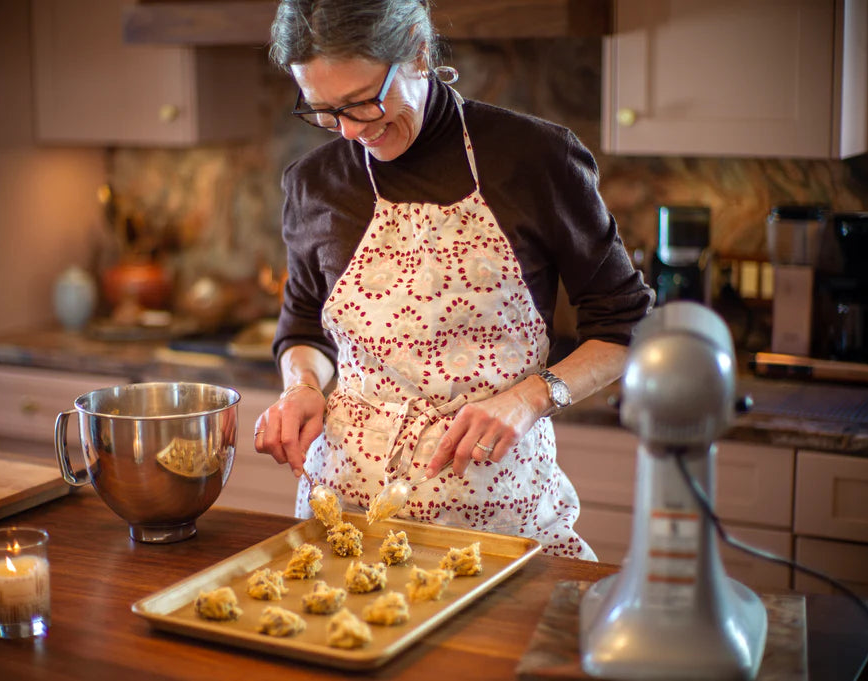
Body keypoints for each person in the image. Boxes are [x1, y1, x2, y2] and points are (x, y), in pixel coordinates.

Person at [254, 0, 654, 559]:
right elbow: (304, 325)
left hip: (496, 519)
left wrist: (530, 399)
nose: (348, 130)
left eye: (365, 101)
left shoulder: (536, 158)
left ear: (418, 52)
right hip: (346, 515)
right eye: (323, 110)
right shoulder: (315, 183)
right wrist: (301, 387)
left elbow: (624, 327)